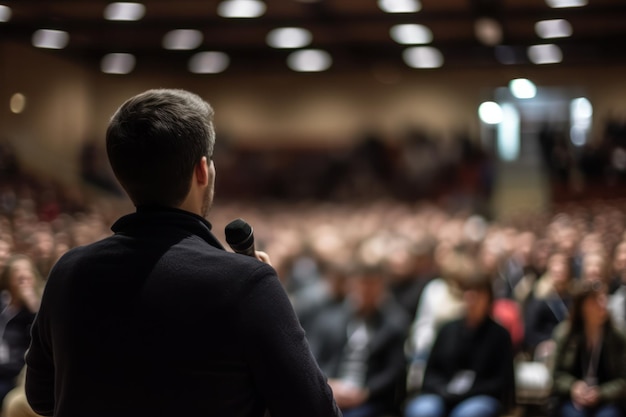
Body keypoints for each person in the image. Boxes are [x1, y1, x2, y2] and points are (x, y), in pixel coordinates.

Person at [24, 89, 341, 417]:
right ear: (202, 170)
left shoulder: (68, 272)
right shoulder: (246, 285)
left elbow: (41, 396)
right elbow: (316, 410)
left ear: (122, 175)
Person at [403, 264, 515, 417]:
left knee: (467, 414)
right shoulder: (447, 329)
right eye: (467, 293)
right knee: (422, 410)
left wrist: (465, 393)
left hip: (479, 396)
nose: (472, 299)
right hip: (443, 393)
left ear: (488, 298)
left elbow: (501, 381)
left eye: (477, 294)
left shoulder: (499, 335)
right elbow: (430, 373)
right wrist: (444, 391)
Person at [306, 261, 410, 417]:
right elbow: (313, 358)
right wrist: (329, 385)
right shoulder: (328, 320)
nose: (366, 291)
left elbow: (394, 370)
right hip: (330, 391)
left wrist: (366, 393)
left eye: (372, 285)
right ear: (350, 286)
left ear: (382, 288)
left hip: (370, 399)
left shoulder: (394, 325)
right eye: (362, 284)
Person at [550, 281, 626, 417]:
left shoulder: (617, 338)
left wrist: (601, 393)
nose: (603, 305)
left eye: (604, 299)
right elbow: (555, 375)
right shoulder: (565, 335)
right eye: (596, 300)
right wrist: (573, 387)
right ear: (582, 306)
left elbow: (622, 380)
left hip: (607, 401)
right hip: (571, 400)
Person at [0, 255, 43, 405]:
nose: (22, 274)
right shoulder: (3, 303)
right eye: (16, 270)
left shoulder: (36, 308)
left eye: (26, 270)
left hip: (15, 372)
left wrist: (32, 305)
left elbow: (41, 338)